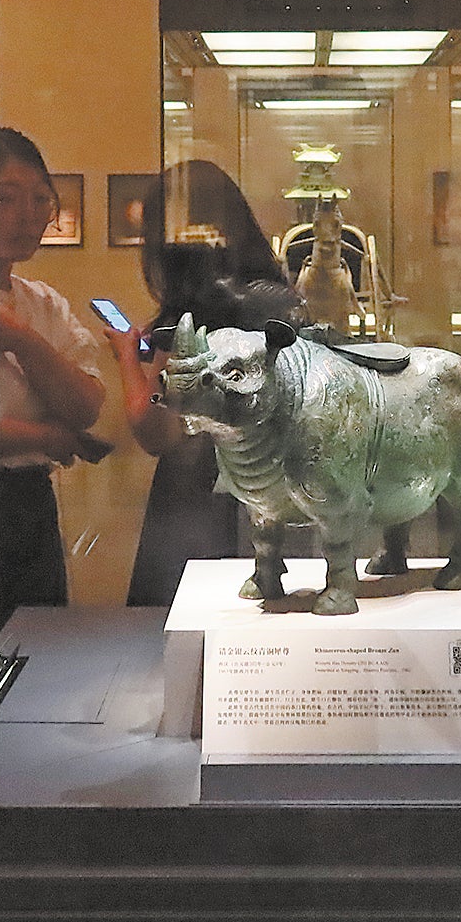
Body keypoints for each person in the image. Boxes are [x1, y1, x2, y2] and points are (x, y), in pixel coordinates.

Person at [100, 161, 302, 607]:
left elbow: (154, 428)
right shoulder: (272, 298)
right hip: (275, 483)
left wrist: (127, 359)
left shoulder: (194, 312)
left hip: (201, 494)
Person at [0, 129, 105, 619]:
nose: (26, 216)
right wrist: (51, 436)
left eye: (39, 200)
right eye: (4, 199)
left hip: (30, 500)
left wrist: (22, 340)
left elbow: (88, 403)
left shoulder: (40, 301)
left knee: (38, 648)